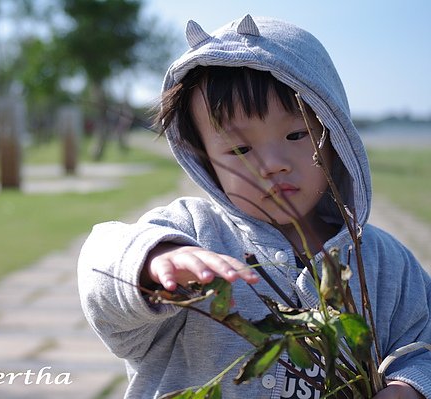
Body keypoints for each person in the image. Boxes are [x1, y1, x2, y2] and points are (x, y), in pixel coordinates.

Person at [77, 14, 431, 399]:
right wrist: (150, 263)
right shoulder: (191, 233)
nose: (272, 163)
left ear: (335, 138)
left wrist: (407, 386)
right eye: (240, 149)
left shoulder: (383, 263)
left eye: (297, 134)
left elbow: (422, 343)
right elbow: (102, 265)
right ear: (204, 159)